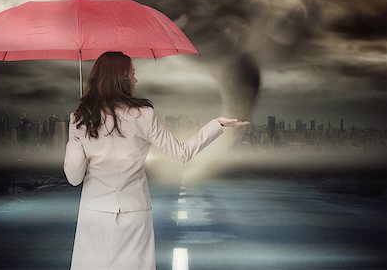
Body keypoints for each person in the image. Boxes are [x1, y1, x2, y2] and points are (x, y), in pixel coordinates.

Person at [63, 51, 250, 270]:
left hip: (94, 213)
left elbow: (74, 178)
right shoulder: (144, 115)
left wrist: (75, 137)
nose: (136, 78)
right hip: (135, 213)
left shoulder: (80, 120)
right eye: (133, 73)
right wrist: (215, 125)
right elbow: (182, 153)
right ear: (122, 77)